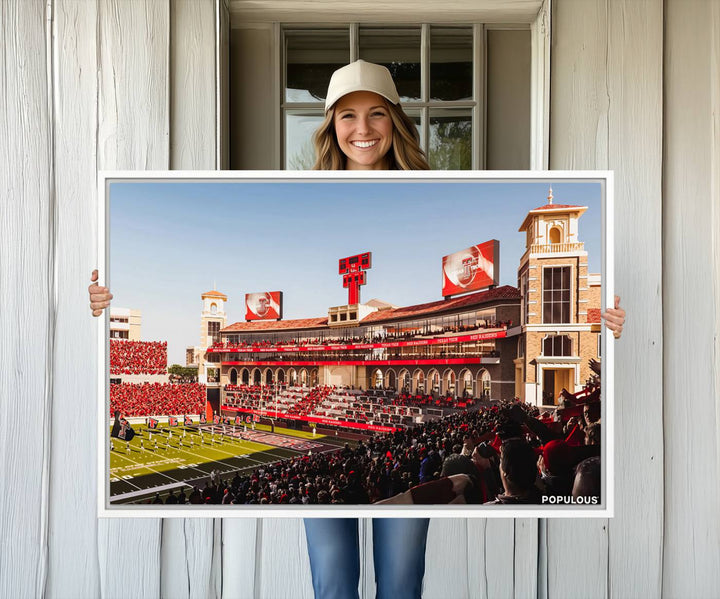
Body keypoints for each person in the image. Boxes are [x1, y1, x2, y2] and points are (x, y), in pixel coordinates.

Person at [88, 59, 627, 599]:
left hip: (403, 475)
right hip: (363, 474)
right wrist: (97, 307)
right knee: (333, 583)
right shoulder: (301, 186)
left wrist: (606, 325)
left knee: (399, 582)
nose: (362, 129)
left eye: (376, 114)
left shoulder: (434, 185)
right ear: (330, 126)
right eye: (347, 115)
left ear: (395, 120)